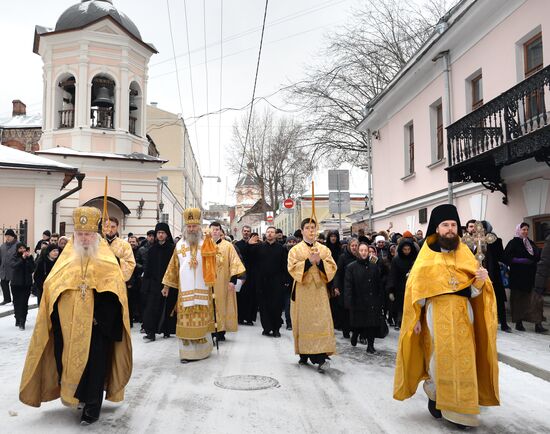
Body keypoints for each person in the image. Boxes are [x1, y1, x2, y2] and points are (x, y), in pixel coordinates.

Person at [19, 206, 132, 425]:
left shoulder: (108, 261)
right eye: (80, 234)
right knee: (67, 362)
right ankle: (78, 396)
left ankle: (92, 406)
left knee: (95, 365)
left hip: (97, 326)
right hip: (67, 325)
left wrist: (99, 317)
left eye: (88, 234)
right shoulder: (67, 259)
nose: (84, 238)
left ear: (96, 235)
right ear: (75, 235)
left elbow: (116, 293)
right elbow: (51, 286)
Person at [393, 204, 499, 428]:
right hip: (435, 314)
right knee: (438, 359)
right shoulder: (426, 257)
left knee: (464, 359)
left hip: (463, 314)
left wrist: (480, 280)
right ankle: (437, 397)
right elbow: (417, 289)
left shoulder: (466, 254)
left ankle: (461, 410)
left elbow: (472, 292)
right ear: (436, 229)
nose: (450, 229)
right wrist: (418, 319)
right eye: (445, 225)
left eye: (453, 225)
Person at [161, 208, 216, 362]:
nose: (192, 229)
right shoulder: (179, 245)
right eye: (189, 227)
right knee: (185, 320)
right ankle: (186, 354)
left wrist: (211, 250)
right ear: (185, 228)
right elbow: (173, 266)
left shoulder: (206, 243)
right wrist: (166, 286)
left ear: (199, 227)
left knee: (201, 319)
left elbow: (216, 262)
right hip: (184, 293)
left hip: (203, 289)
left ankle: (203, 352)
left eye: (194, 226)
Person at [288, 218, 337, 373]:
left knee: (321, 321)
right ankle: (304, 352)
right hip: (303, 291)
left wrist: (320, 262)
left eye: (313, 227)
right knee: (304, 322)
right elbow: (292, 267)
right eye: (307, 228)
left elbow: (332, 266)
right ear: (302, 231)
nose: (310, 230)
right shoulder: (295, 250)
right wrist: (308, 262)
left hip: (320, 291)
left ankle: (321, 356)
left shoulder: (324, 249)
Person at [504, 222, 545, 333]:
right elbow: (506, 257)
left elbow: (537, 255)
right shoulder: (513, 243)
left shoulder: (530, 243)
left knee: (536, 300)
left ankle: (538, 324)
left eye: (527, 229)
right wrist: (518, 260)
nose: (525, 231)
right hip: (518, 278)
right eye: (523, 229)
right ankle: (519, 323)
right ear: (519, 230)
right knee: (519, 301)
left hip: (531, 277)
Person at [344, 242, 385, 353]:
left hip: (372, 300)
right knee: (359, 323)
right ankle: (355, 334)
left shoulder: (374, 265)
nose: (363, 252)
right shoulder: (351, 267)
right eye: (361, 250)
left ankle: (370, 346)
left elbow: (379, 282)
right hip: (358, 300)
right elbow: (348, 285)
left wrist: (380, 299)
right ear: (358, 251)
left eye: (365, 250)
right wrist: (349, 300)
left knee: (371, 324)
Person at [209, 221, 245, 341]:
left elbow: (234, 263)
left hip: (223, 282)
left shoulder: (228, 246)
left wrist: (232, 281)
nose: (215, 231)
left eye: (217, 229)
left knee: (222, 305)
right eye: (213, 229)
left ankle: (221, 331)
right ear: (209, 231)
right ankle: (210, 330)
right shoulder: (205, 245)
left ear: (220, 232)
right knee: (210, 305)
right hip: (208, 282)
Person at [249, 226, 287, 337]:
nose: (270, 234)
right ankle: (267, 328)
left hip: (276, 281)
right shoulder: (259, 247)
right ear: (265, 234)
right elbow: (251, 259)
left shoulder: (281, 248)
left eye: (272, 232)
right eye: (268, 232)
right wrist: (250, 245)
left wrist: (285, 280)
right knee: (263, 306)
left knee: (276, 306)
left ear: (275, 234)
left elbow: (284, 265)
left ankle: (276, 328)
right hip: (262, 281)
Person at [142, 223, 177, 341]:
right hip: (154, 283)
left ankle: (166, 330)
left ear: (167, 235)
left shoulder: (173, 249)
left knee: (167, 307)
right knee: (152, 308)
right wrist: (146, 283)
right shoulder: (152, 250)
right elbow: (148, 268)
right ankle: (151, 332)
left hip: (169, 283)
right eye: (158, 233)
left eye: (162, 233)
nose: (160, 235)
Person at [480, 221, 511, 333]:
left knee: (498, 299)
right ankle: (486, 323)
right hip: (479, 274)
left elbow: (501, 256)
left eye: (483, 228)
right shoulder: (476, 240)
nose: (481, 231)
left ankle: (503, 323)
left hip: (494, 274)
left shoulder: (496, 240)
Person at [387, 238, 417, 330]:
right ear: (401, 249)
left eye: (408, 249)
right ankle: (398, 321)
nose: (407, 251)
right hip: (399, 286)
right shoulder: (396, 259)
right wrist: (391, 289)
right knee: (399, 305)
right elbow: (392, 274)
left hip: (412, 286)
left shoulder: (414, 258)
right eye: (405, 249)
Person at [333, 237, 359, 339]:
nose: (354, 247)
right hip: (345, 287)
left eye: (356, 246)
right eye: (352, 246)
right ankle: (346, 330)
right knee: (345, 310)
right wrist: (336, 286)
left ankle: (355, 329)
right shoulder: (343, 257)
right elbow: (338, 273)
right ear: (349, 246)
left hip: (357, 287)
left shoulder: (360, 256)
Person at [235, 225, 256, 325]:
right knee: (240, 296)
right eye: (245, 231)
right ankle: (240, 317)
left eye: (248, 231)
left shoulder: (255, 244)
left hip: (251, 273)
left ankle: (249, 318)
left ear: (250, 232)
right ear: (242, 232)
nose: (246, 233)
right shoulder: (238, 244)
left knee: (250, 297)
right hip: (240, 274)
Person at [10, 243, 35, 330]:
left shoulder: (29, 257)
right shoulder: (14, 257)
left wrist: (29, 259)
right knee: (16, 303)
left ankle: (22, 321)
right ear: (17, 249)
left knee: (24, 303)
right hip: (16, 284)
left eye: (24, 248)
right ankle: (17, 317)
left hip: (26, 284)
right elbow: (14, 266)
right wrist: (22, 259)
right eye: (20, 248)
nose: (22, 250)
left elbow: (32, 269)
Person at [105, 217, 136, 283]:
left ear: (117, 227)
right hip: (101, 282)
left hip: (117, 282)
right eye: (107, 226)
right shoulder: (99, 244)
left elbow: (131, 264)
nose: (110, 229)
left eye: (113, 227)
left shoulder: (125, 245)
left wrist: (118, 260)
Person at [282, 236, 298, 330]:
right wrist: (285, 280)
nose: (292, 243)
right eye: (290, 242)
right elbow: (283, 269)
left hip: (298, 281)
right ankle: (289, 322)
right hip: (287, 282)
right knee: (288, 304)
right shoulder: (284, 252)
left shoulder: (298, 253)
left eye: (293, 242)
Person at [126, 235, 142, 326]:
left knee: (137, 300)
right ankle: (130, 320)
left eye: (133, 242)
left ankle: (138, 317)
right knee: (129, 301)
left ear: (137, 242)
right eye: (130, 242)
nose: (132, 243)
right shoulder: (126, 252)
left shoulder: (139, 251)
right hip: (129, 280)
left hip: (138, 280)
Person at [0, 229, 18, 305]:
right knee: (3, 283)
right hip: (4, 269)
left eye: (9, 236)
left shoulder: (18, 245)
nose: (7, 238)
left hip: (14, 269)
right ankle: (7, 299)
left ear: (13, 237)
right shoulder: (2, 246)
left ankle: (15, 300)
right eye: (6, 236)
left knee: (14, 285)